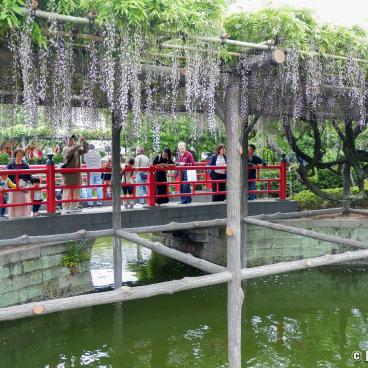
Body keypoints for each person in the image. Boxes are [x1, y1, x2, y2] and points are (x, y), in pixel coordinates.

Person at [61, 135, 89, 214]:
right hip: (68, 174)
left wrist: (84, 142)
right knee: (67, 191)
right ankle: (65, 207)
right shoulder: (65, 148)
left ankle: (74, 206)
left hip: (77, 173)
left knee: (77, 190)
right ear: (66, 141)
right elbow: (70, 152)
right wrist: (79, 144)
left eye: (72, 139)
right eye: (70, 139)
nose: (72, 140)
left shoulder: (77, 148)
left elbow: (85, 151)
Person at [6, 148, 32, 218]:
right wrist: (13, 184)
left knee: (24, 202)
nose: (20, 157)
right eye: (18, 155)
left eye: (22, 155)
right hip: (14, 187)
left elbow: (29, 176)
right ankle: (13, 217)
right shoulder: (10, 165)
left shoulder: (25, 165)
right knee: (14, 203)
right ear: (15, 155)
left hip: (23, 187)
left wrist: (35, 181)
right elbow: (7, 177)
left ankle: (25, 216)